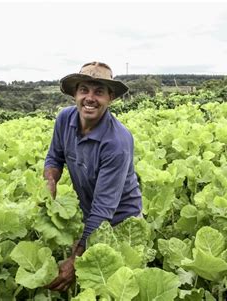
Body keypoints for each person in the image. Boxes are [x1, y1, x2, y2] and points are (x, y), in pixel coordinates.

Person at [44, 61, 143, 292]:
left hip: (123, 221)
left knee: (116, 287)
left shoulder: (117, 142)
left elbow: (104, 209)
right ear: (75, 94)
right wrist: (50, 184)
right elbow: (54, 159)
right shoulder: (64, 119)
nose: (90, 98)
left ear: (111, 98)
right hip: (91, 214)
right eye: (84, 90)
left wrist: (75, 259)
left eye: (99, 92)